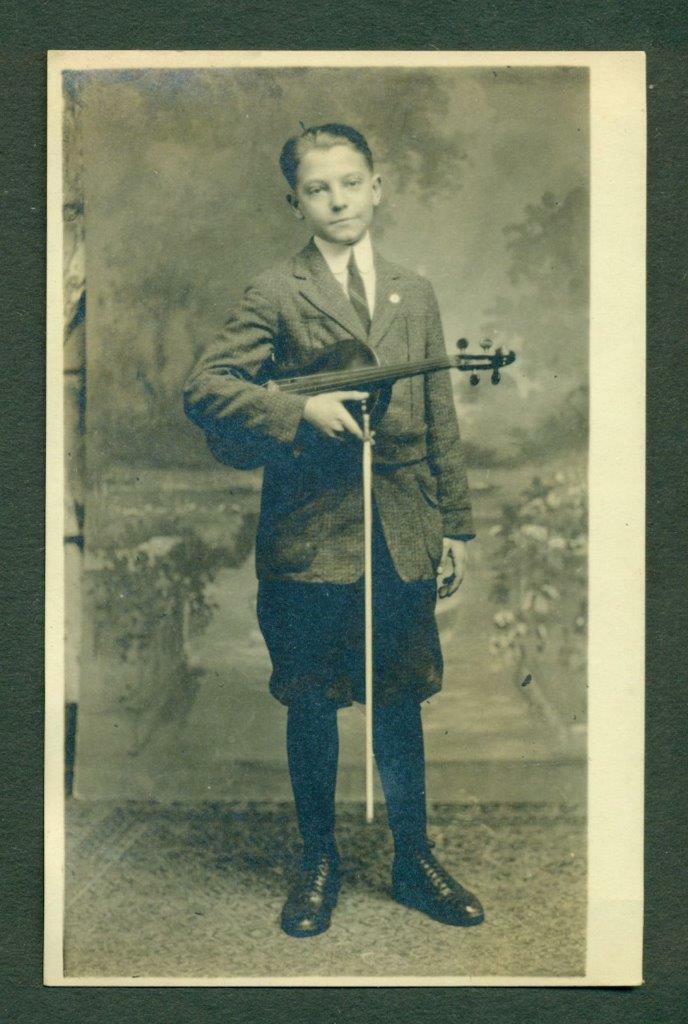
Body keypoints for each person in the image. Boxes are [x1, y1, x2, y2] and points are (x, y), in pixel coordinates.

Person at [183, 123, 484, 938]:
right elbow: (207, 387)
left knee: (401, 697)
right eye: (319, 188)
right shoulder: (275, 292)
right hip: (311, 536)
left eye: (351, 182)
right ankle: (318, 861)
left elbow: (439, 418)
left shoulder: (413, 292)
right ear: (296, 201)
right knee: (312, 698)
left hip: (402, 529)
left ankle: (413, 859)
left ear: (377, 185)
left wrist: (454, 526)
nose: (338, 199)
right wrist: (297, 408)